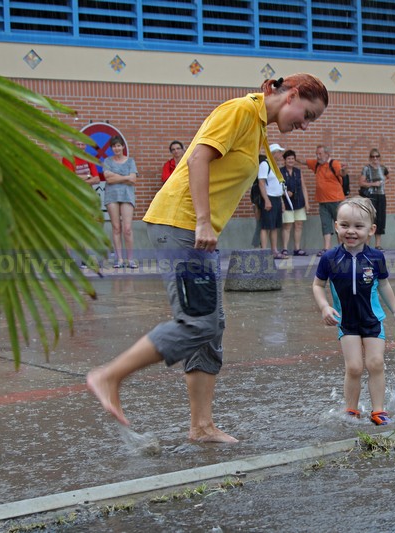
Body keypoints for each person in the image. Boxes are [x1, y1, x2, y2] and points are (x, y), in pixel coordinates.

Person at [86, 73, 328, 442]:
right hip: (181, 225)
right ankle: (109, 376)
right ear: (292, 95)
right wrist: (202, 222)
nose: (306, 126)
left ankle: (201, 427)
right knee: (199, 322)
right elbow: (197, 158)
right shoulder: (240, 112)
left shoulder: (257, 126)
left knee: (210, 327)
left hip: (195, 232)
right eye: (308, 114)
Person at [312, 197, 395, 426]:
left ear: (371, 230)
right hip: (346, 321)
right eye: (345, 225)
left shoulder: (375, 258)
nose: (351, 231)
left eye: (358, 226)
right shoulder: (330, 258)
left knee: (375, 363)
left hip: (373, 319)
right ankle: (351, 410)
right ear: (336, 226)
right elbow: (317, 285)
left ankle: (378, 410)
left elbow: (384, 285)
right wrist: (325, 306)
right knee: (354, 367)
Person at [62, 140, 101, 268]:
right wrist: (88, 176)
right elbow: (69, 178)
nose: (80, 146)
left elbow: (97, 179)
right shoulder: (68, 158)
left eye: (82, 144)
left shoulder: (88, 159)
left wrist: (81, 178)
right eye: (77, 144)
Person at [102, 135, 139, 269]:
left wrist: (117, 177)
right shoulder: (107, 161)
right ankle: (119, 259)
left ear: (123, 146)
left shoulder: (130, 161)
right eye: (114, 146)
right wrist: (126, 177)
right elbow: (108, 179)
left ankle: (130, 259)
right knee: (116, 228)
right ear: (111, 148)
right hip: (111, 196)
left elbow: (133, 179)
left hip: (127, 196)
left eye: (119, 145)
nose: (116, 148)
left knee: (127, 229)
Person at [306, 145, 348, 256]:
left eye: (320, 154)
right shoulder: (316, 164)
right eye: (316, 154)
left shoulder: (334, 163)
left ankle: (342, 248)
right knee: (325, 225)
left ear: (327, 154)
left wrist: (344, 170)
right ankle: (326, 248)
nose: (318, 156)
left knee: (339, 224)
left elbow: (342, 173)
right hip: (322, 201)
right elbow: (305, 162)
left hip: (336, 200)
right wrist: (294, 158)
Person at [258, 144, 286, 259]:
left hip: (276, 199)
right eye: (279, 152)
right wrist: (266, 200)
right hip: (269, 198)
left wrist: (282, 201)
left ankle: (274, 251)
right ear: (274, 153)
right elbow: (261, 182)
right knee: (266, 226)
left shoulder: (275, 166)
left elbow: (278, 185)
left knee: (274, 226)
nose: (280, 155)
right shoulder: (265, 164)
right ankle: (264, 252)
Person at [359, 148, 388, 250]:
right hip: (371, 196)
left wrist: (384, 182)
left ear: (379, 157)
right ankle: (366, 244)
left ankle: (377, 245)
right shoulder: (366, 168)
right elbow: (361, 182)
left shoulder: (383, 168)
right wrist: (373, 184)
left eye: (377, 156)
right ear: (370, 158)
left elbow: (388, 176)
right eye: (373, 156)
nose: (375, 158)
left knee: (380, 219)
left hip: (381, 195)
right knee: (370, 219)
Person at [281, 149, 309, 256]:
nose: (291, 160)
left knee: (299, 225)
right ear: (285, 160)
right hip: (287, 203)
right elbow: (277, 187)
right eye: (289, 159)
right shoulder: (281, 171)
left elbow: (303, 187)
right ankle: (284, 249)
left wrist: (307, 203)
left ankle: (297, 249)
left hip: (299, 202)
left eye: (293, 158)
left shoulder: (298, 171)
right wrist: (285, 193)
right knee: (287, 225)